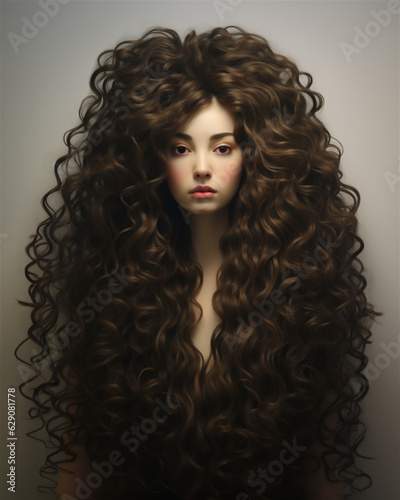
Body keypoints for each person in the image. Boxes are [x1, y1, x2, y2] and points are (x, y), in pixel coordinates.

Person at [16, 26, 379, 500]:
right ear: (151, 158)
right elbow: (76, 467)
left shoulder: (299, 293)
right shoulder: (112, 293)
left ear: (256, 157)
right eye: (181, 148)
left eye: (223, 147)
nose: (202, 167)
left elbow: (321, 474)